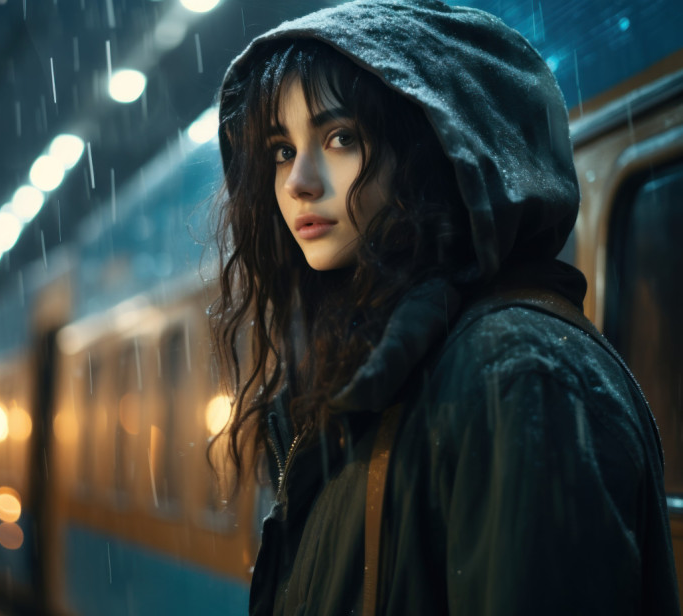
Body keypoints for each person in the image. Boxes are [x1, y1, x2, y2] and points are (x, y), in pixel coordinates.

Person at [208, 0, 681, 614]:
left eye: (340, 137)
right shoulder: (380, 375)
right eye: (281, 149)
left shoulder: (517, 375)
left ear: (429, 154)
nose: (298, 180)